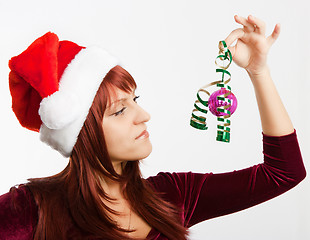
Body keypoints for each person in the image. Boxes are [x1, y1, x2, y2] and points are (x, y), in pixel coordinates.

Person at [0, 15, 306, 240]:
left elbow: (284, 173)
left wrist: (258, 71)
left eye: (136, 99)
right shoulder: (32, 209)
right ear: (81, 133)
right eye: (120, 110)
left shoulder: (172, 195)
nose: (143, 115)